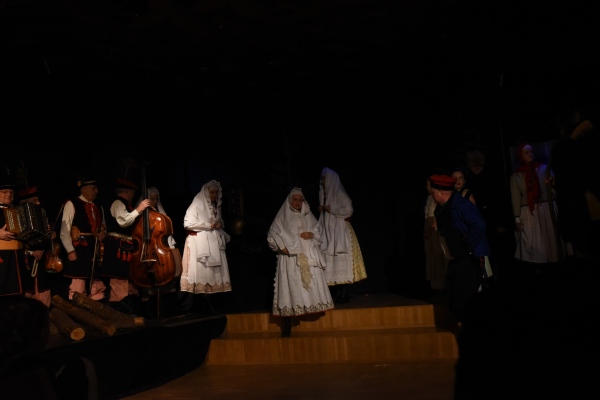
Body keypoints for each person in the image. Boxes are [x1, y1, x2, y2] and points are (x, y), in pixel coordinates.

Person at [267, 187, 335, 337]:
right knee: (291, 286)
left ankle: (309, 309)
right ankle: (287, 323)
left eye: (300, 200)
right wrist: (282, 246)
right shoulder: (283, 216)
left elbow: (318, 231)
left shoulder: (307, 214)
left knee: (307, 284)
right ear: (290, 201)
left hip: (307, 253)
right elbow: (272, 235)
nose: (297, 203)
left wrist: (311, 234)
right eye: (295, 200)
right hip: (290, 258)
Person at [430, 173, 492, 326]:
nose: (431, 195)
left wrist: (467, 245)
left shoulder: (462, 205)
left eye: (433, 192)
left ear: (441, 192)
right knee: (452, 301)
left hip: (468, 258)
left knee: (463, 301)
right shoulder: (441, 208)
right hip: (455, 259)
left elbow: (479, 225)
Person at [510, 143, 569, 273]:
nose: (530, 154)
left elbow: (555, 191)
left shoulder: (544, 169)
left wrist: (551, 184)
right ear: (521, 155)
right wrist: (517, 219)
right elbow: (516, 198)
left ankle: (555, 263)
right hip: (528, 211)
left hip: (546, 207)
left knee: (550, 237)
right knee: (532, 240)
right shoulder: (517, 176)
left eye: (531, 151)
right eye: (526, 152)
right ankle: (536, 265)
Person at [180, 180, 231, 314]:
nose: (214, 195)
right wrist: (208, 225)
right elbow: (188, 223)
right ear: (206, 193)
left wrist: (219, 224)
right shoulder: (197, 203)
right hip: (200, 244)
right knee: (201, 273)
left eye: (216, 193)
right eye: (212, 192)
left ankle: (209, 304)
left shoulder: (216, 206)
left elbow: (218, 220)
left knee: (211, 274)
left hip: (213, 243)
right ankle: (196, 306)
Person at [102, 178, 151, 314]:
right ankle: (118, 311)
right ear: (127, 191)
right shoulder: (118, 203)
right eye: (132, 192)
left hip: (127, 246)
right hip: (118, 246)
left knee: (129, 280)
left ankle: (131, 309)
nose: (133, 195)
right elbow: (123, 222)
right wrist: (139, 209)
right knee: (119, 279)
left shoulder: (127, 204)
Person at [318, 167, 366, 304]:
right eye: (321, 179)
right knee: (331, 262)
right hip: (329, 234)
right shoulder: (324, 196)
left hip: (340, 233)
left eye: (324, 179)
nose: (322, 182)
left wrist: (331, 210)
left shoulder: (339, 194)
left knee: (342, 260)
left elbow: (349, 210)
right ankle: (336, 293)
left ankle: (343, 293)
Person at [135, 186, 182, 317]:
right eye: (152, 199)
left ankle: (167, 309)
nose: (154, 201)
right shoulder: (141, 214)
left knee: (167, 277)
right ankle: (149, 311)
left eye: (156, 199)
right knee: (147, 283)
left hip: (159, 250)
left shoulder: (160, 214)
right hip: (146, 250)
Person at [59, 176, 107, 301]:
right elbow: (64, 231)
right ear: (83, 189)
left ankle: (96, 308)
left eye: (96, 188)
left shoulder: (98, 206)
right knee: (79, 281)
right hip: (79, 247)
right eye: (93, 188)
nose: (96, 191)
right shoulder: (72, 203)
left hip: (94, 248)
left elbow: (103, 226)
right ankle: (77, 308)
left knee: (95, 281)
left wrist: (102, 234)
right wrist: (70, 250)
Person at [18, 185, 56, 308]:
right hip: (26, 259)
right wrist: (30, 252)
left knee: (43, 285)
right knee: (28, 287)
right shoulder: (17, 214)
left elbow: (45, 234)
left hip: (42, 256)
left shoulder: (42, 212)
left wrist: (50, 234)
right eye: (35, 200)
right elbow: (18, 240)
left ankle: (43, 310)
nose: (38, 203)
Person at [0, 174, 29, 304]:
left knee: (17, 296)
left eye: (11, 192)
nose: (8, 194)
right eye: (4, 191)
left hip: (17, 258)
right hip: (2, 258)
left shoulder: (19, 210)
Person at [423, 176, 448, 299]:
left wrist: (430, 229)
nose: (426, 187)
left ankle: (441, 288)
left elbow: (438, 217)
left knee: (438, 258)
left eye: (428, 184)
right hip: (430, 233)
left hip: (435, 232)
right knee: (432, 258)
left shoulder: (437, 198)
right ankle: (435, 287)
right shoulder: (430, 198)